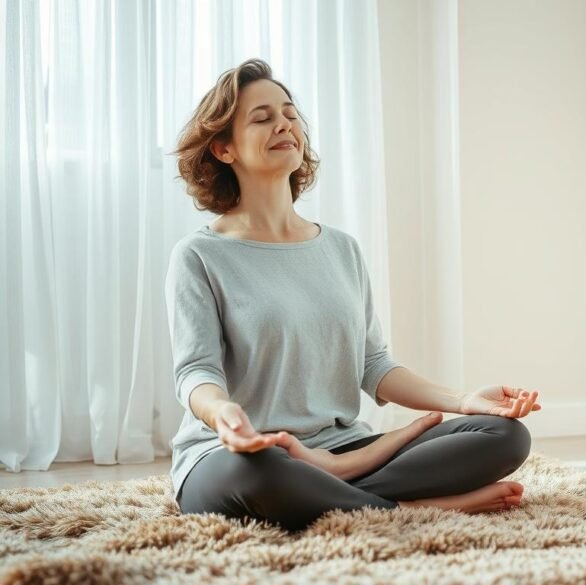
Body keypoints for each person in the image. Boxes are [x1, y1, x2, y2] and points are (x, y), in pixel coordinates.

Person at [165, 58, 541, 532]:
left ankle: (336, 484)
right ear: (224, 149)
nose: (284, 123)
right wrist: (224, 416)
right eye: (262, 118)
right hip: (242, 455)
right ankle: (406, 509)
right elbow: (196, 372)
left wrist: (465, 401)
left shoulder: (340, 248)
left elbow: (373, 365)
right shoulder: (199, 254)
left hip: (344, 451)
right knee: (257, 472)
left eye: (289, 113)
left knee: (505, 435)